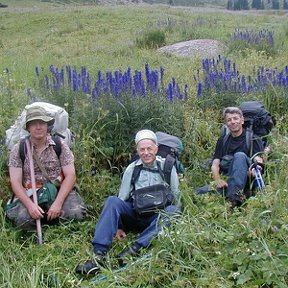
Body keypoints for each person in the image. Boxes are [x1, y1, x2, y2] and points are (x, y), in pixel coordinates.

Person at [75, 129, 181, 275]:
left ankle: (133, 250)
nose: (146, 153)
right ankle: (98, 255)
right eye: (142, 149)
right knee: (112, 201)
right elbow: (122, 199)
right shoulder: (132, 169)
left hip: (155, 218)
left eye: (149, 148)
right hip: (136, 214)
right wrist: (119, 227)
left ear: (156, 149)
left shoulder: (168, 167)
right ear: (137, 151)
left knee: (173, 211)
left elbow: (176, 196)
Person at [6, 106, 86, 228]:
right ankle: (44, 219)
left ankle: (52, 219)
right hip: (31, 193)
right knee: (23, 221)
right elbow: (15, 182)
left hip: (58, 190)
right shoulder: (19, 149)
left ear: (47, 125)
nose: (38, 127)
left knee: (76, 214)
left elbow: (70, 175)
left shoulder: (59, 145)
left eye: (41, 123)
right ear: (28, 128)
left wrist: (58, 204)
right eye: (34, 124)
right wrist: (30, 206)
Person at [211, 107, 264, 208]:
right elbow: (215, 164)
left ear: (242, 120)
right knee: (199, 193)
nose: (233, 122)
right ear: (226, 124)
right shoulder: (222, 141)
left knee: (239, 156)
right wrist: (217, 180)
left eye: (235, 118)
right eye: (229, 120)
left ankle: (232, 201)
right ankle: (239, 195)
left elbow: (258, 160)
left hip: (247, 179)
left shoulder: (253, 138)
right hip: (228, 180)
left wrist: (255, 169)